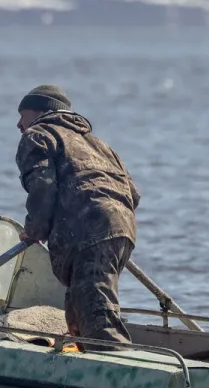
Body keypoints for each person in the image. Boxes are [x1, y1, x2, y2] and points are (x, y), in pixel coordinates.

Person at [14, 84, 141, 344]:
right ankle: (82, 361)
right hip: (122, 229)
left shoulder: (38, 135)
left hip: (88, 232)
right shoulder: (99, 144)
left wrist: (34, 231)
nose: (19, 124)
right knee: (79, 309)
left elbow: (42, 187)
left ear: (40, 113)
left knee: (99, 319)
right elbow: (133, 195)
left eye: (22, 115)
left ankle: (117, 372)